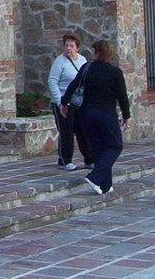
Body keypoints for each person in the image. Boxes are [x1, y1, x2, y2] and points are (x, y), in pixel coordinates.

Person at [61, 39, 130, 195]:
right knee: (115, 146)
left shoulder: (87, 68)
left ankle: (105, 185)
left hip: (86, 114)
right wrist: (126, 116)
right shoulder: (115, 73)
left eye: (93, 51)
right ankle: (95, 177)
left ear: (97, 53)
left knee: (99, 148)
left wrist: (63, 103)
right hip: (106, 114)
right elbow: (122, 96)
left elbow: (73, 86)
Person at [47, 33, 92, 170]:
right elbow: (52, 81)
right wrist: (59, 100)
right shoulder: (59, 62)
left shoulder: (82, 60)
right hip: (62, 101)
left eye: (71, 46)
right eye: (66, 45)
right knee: (66, 131)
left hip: (77, 102)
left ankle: (89, 159)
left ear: (77, 47)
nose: (68, 48)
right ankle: (65, 160)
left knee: (82, 130)